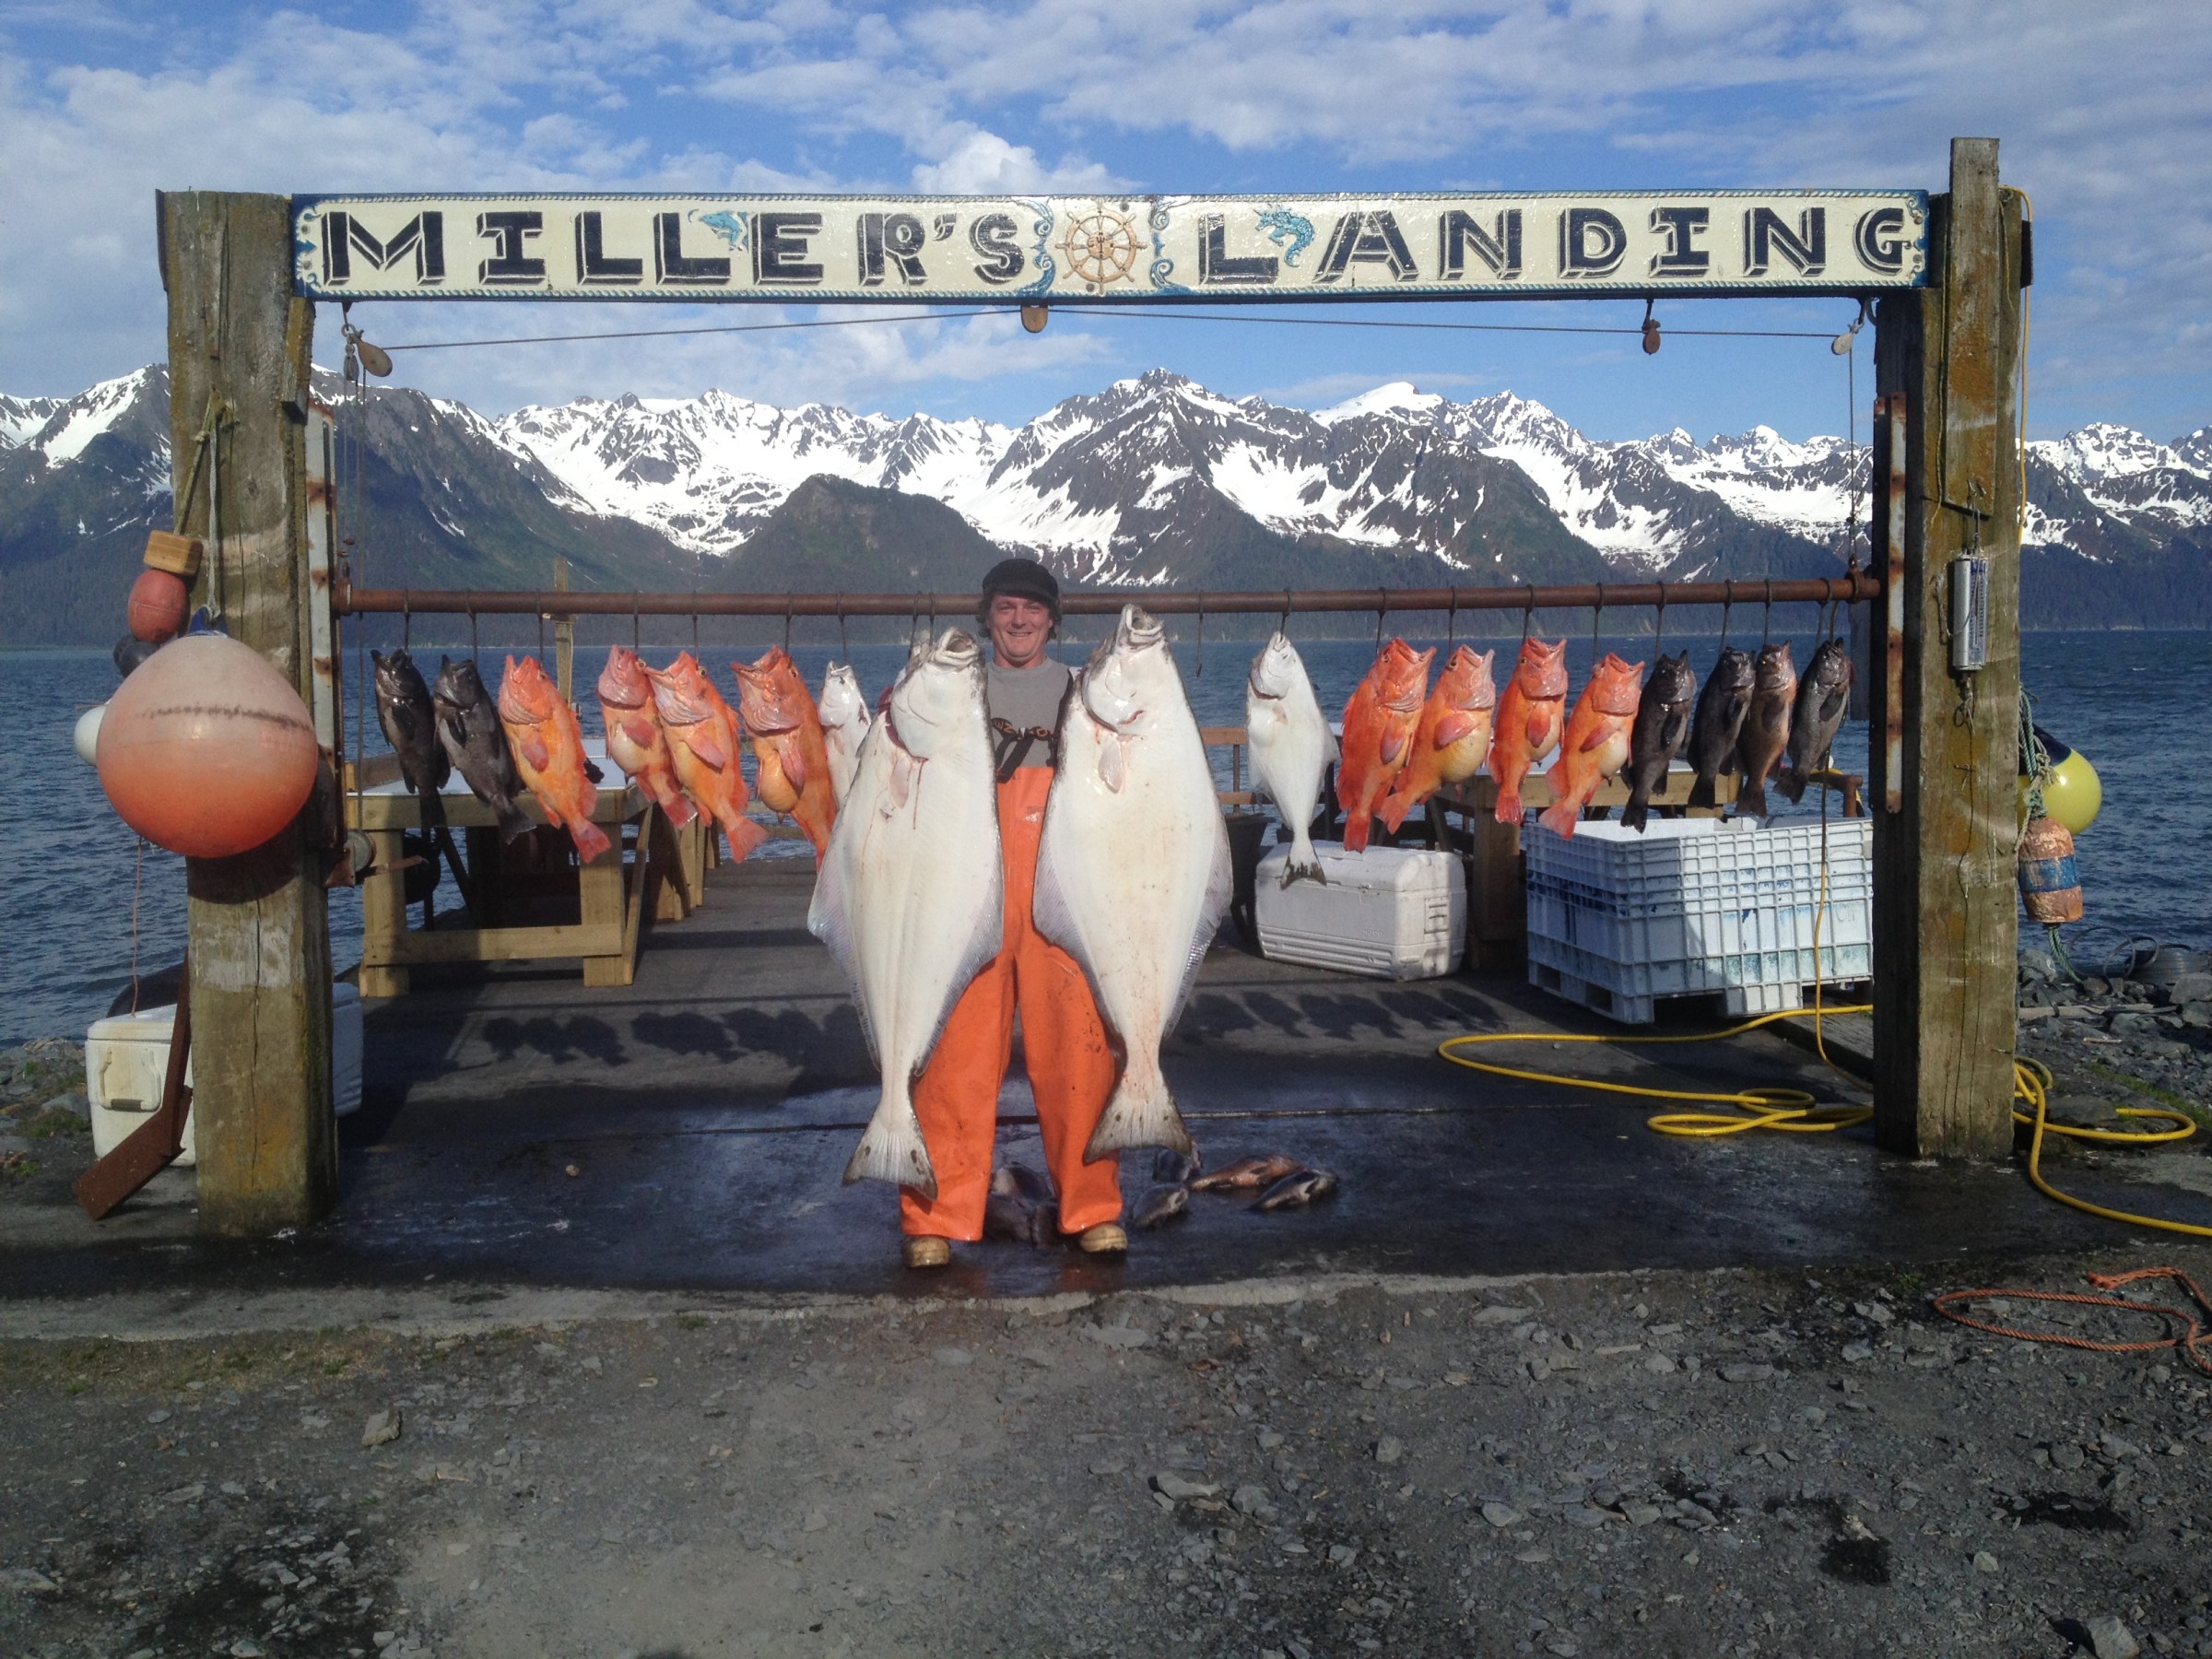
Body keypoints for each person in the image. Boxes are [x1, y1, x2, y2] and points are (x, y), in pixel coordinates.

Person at [899, 558, 1126, 1268]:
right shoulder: (948, 689)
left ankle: (1091, 1208)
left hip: (1063, 884)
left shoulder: (1086, 694)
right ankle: (934, 1216)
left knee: (1079, 1052)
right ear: (987, 616)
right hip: (969, 886)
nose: (1019, 619)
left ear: (1053, 619)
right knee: (953, 1057)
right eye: (1006, 607)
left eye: (1032, 607)